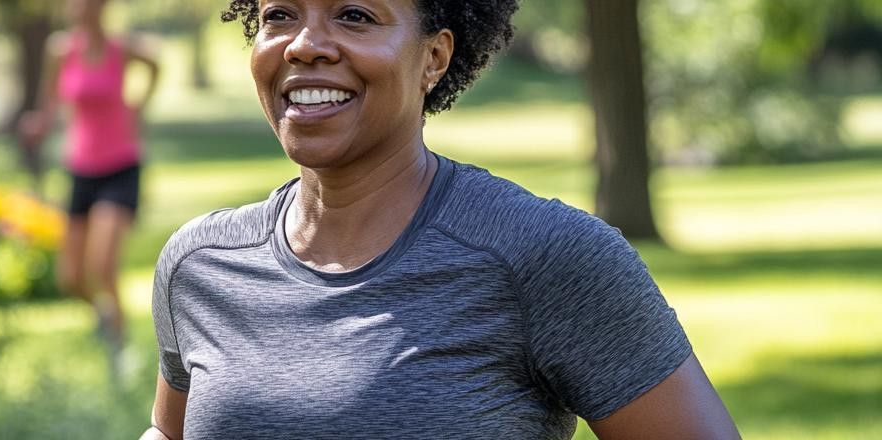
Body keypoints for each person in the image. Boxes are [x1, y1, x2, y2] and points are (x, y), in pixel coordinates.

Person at [143, 0, 740, 438]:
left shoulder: (544, 253)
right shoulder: (202, 264)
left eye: (354, 15)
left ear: (434, 57)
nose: (304, 44)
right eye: (279, 14)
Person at [19, 0, 159, 359]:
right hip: (80, 167)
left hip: (120, 165)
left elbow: (156, 64)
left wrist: (139, 107)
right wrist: (40, 124)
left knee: (102, 264)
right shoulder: (60, 50)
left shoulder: (121, 48)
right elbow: (49, 104)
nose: (77, 6)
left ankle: (120, 348)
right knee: (71, 276)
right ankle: (103, 316)